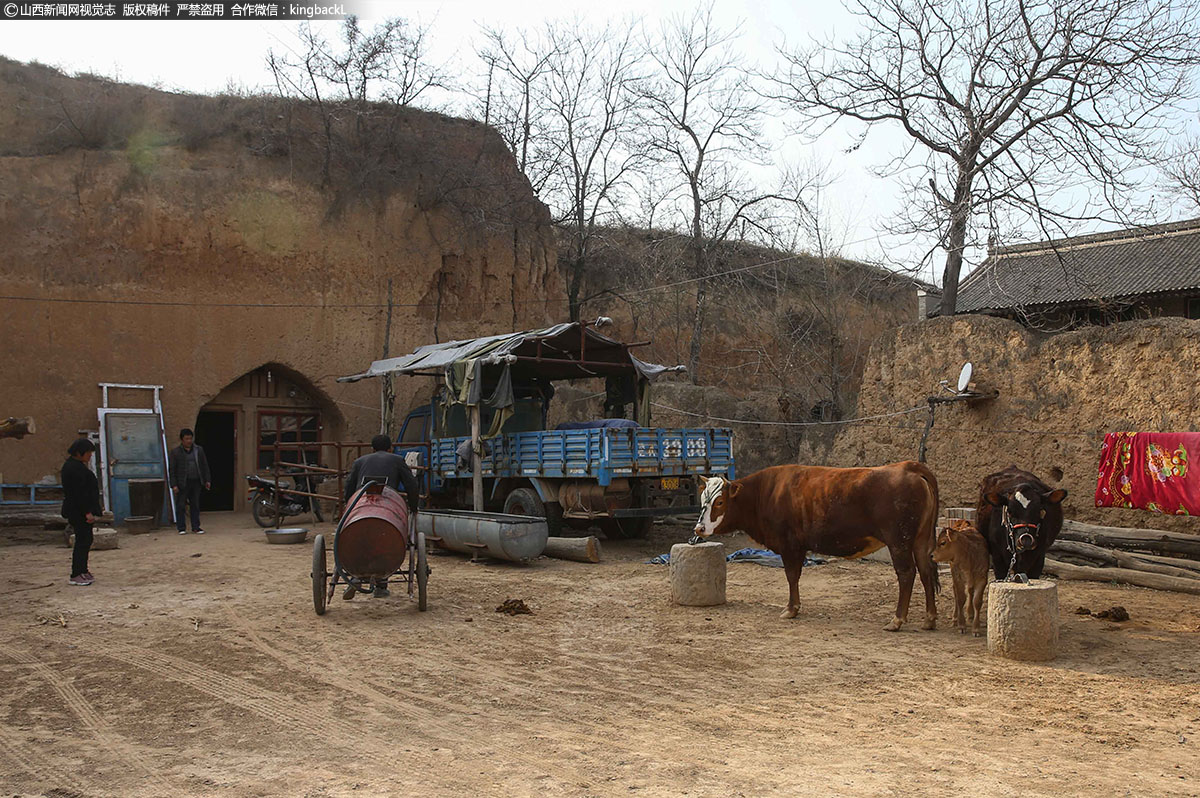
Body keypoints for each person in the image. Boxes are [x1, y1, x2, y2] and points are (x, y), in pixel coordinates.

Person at [342, 433, 420, 598]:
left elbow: (348, 486)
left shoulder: (359, 461)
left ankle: (356, 576)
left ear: (372, 448)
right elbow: (411, 484)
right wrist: (413, 506)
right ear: (390, 447)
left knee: (361, 536)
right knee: (386, 538)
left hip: (360, 503)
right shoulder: (397, 460)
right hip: (387, 504)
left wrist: (348, 504)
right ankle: (381, 585)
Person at [61, 438, 102, 586]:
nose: (90, 455)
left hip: (81, 510)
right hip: (78, 511)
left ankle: (83, 570)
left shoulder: (78, 466)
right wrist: (87, 512)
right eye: (88, 453)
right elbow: (78, 494)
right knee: (82, 541)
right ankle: (76, 573)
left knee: (86, 540)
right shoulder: (72, 468)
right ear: (79, 453)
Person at [169, 428, 211, 535]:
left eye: (190, 438)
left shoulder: (198, 450)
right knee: (181, 505)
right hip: (182, 482)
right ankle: (181, 527)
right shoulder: (175, 452)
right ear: (182, 440)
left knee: (195, 504)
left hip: (196, 481)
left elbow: (204, 466)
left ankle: (196, 527)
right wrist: (174, 485)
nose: (189, 441)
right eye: (186, 439)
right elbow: (172, 470)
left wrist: (207, 480)